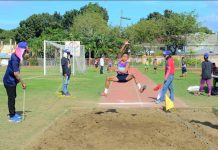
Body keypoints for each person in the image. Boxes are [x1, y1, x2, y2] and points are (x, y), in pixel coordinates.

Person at [3, 42, 30, 123]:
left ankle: (13, 113)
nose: (26, 53)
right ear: (21, 50)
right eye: (25, 51)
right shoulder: (15, 58)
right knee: (11, 98)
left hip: (12, 81)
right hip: (9, 81)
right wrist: (22, 82)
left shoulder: (16, 57)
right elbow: (16, 73)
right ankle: (11, 116)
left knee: (13, 96)